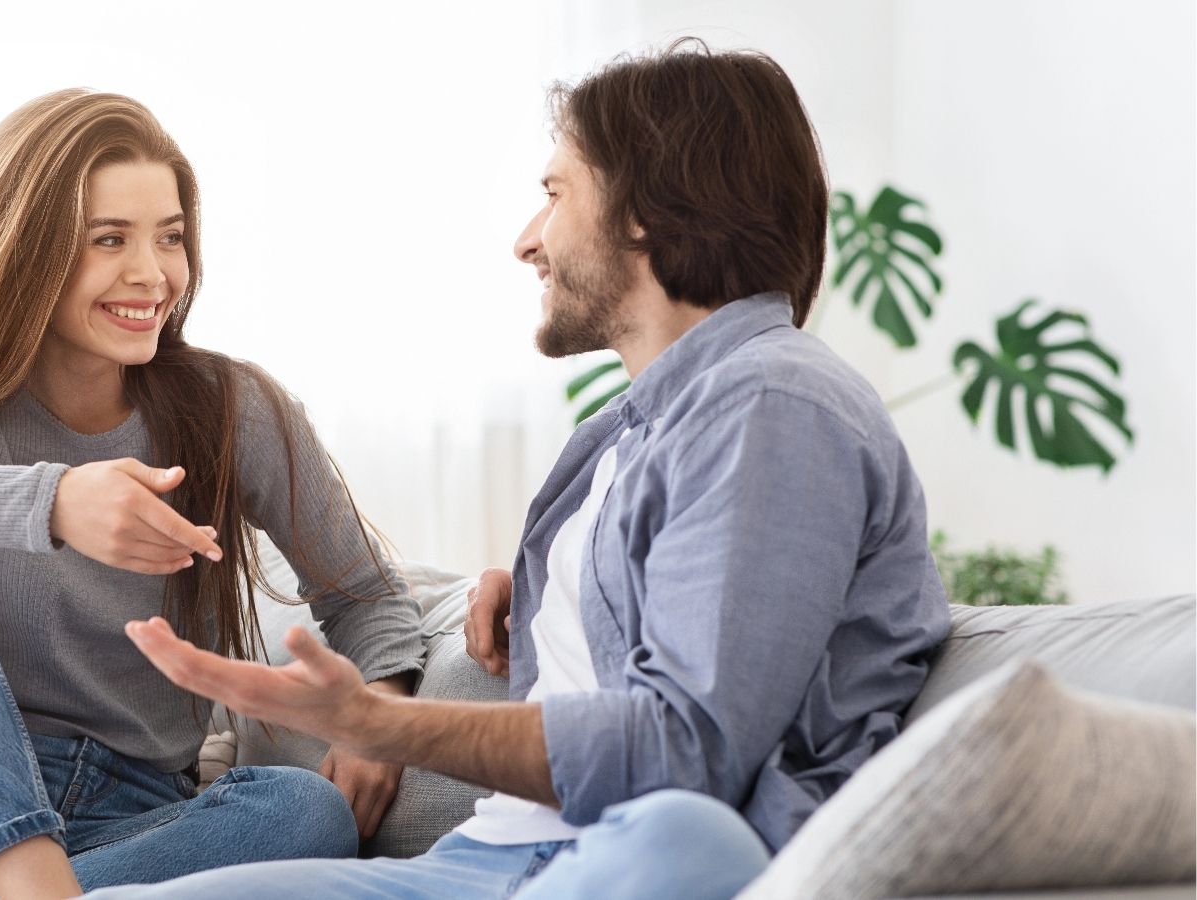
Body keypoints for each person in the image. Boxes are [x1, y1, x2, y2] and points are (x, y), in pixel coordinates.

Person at [93, 39, 953, 900]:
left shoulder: (775, 401)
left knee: (684, 835)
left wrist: (377, 722)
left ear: (644, 209)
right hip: (495, 862)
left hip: (629, 856)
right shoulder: (631, 431)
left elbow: (687, 755)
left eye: (554, 194)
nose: (527, 241)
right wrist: (549, 590)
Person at [0, 89, 425, 900]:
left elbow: (366, 597)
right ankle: (32, 883)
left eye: (171, 238)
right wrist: (55, 503)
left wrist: (380, 718)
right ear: (22, 250)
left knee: (306, 810)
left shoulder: (234, 409)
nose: (152, 274)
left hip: (129, 818)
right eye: (108, 239)